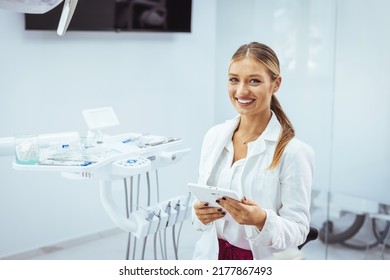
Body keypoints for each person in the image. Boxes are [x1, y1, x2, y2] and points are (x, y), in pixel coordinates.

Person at [191, 42, 314, 260]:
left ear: (276, 84)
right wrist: (199, 214)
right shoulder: (214, 137)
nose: (241, 91)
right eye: (233, 80)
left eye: (254, 81)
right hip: (211, 255)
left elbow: (299, 229)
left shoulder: (294, 152)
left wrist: (262, 220)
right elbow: (201, 203)